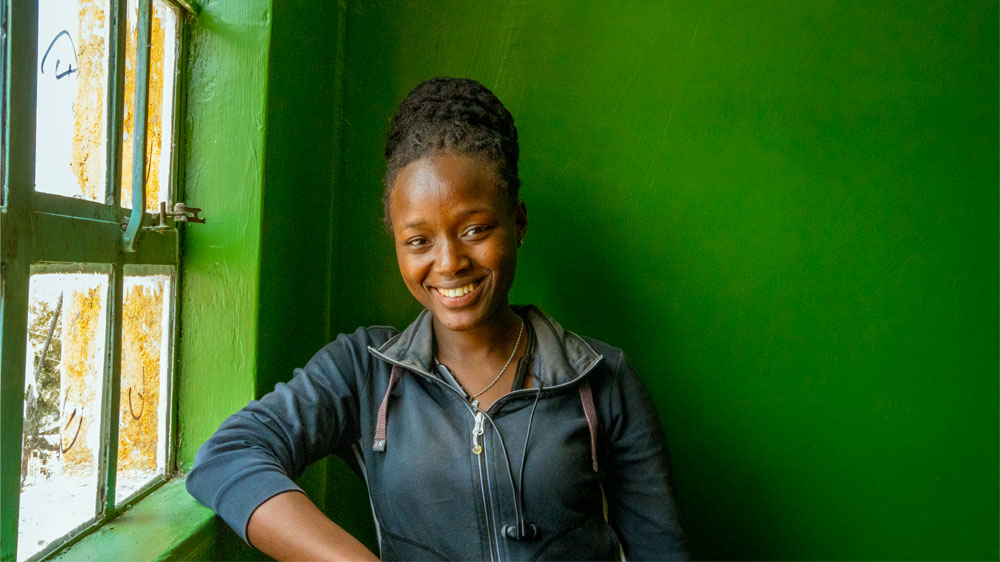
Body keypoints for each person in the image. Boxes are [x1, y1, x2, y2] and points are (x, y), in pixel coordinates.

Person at [187, 77, 686, 561]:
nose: (448, 263)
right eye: (419, 241)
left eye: (474, 229)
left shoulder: (601, 378)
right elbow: (227, 456)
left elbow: (661, 552)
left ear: (518, 222)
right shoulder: (364, 372)